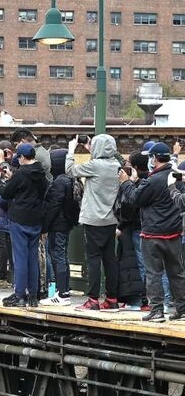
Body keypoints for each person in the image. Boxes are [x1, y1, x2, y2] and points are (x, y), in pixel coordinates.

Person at [119, 143, 185, 322]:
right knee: (176, 273)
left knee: (153, 273)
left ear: (154, 158)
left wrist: (126, 183)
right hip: (174, 232)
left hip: (153, 234)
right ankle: (182, 309)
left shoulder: (153, 180)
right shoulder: (176, 176)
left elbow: (134, 199)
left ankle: (156, 311)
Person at [67, 133, 122, 311]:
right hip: (111, 219)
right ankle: (112, 298)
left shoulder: (95, 166)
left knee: (93, 259)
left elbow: (70, 171)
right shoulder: (116, 165)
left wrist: (71, 150)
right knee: (110, 259)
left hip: (93, 220)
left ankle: (92, 300)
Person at [0, 143, 49, 308]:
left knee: (20, 258)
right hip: (36, 220)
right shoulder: (41, 174)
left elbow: (5, 194)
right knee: (32, 258)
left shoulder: (20, 174)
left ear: (21, 157)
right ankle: (33, 295)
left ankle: (20, 295)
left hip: (19, 219)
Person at [40, 149, 76, 305]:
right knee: (63, 256)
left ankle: (62, 293)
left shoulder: (59, 182)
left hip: (57, 225)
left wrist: (44, 227)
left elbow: (53, 206)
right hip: (65, 223)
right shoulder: (69, 179)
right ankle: (64, 290)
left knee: (57, 256)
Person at [114, 153, 149, 311]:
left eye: (129, 164)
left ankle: (144, 299)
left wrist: (127, 184)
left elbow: (129, 206)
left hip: (136, 227)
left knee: (141, 264)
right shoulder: (148, 180)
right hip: (140, 227)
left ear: (135, 168)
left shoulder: (140, 184)